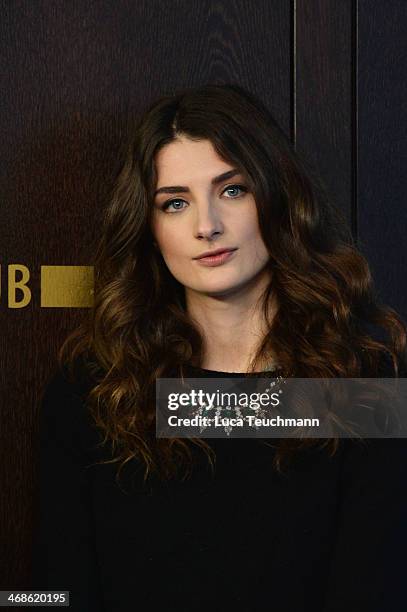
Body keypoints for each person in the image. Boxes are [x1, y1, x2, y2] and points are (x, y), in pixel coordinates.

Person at [31, 84, 407, 611]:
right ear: (149, 226)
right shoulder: (94, 392)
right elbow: (54, 592)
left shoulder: (363, 382)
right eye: (175, 202)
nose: (206, 226)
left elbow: (378, 589)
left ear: (277, 197)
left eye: (233, 190)